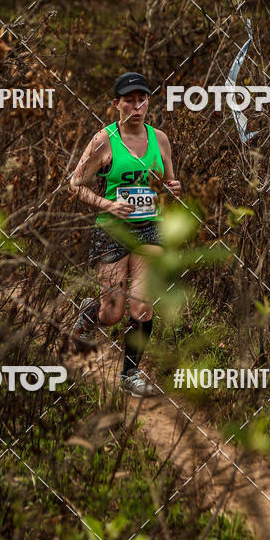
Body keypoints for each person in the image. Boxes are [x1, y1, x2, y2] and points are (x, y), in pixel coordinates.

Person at [70, 72, 181, 397]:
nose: (136, 106)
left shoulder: (160, 139)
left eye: (142, 100)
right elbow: (75, 185)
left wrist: (174, 189)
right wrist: (108, 204)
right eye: (129, 100)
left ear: (148, 102)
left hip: (149, 228)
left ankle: (130, 375)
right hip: (112, 229)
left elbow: (169, 183)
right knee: (113, 312)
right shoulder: (103, 140)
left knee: (142, 307)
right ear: (116, 104)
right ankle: (91, 314)